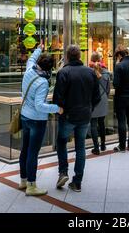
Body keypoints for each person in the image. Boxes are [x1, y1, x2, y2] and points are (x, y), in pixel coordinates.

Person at [53, 45, 101, 192]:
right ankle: (77, 181)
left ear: (67, 57)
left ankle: (63, 172)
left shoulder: (63, 72)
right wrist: (89, 108)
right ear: (80, 56)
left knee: (61, 142)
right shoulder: (90, 72)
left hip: (68, 115)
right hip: (85, 116)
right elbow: (97, 96)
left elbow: (58, 97)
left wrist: (60, 110)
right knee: (81, 147)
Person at [19, 44, 63, 196]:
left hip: (24, 116)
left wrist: (39, 48)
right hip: (37, 121)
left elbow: (31, 58)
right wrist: (56, 108)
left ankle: (23, 180)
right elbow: (39, 106)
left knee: (24, 149)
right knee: (32, 152)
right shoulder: (43, 82)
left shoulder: (29, 69)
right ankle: (31, 185)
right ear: (49, 69)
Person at [89, 52, 111, 155]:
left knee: (93, 124)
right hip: (103, 100)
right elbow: (108, 89)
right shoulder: (106, 73)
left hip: (93, 100)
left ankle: (96, 147)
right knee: (102, 123)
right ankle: (103, 145)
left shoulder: (89, 72)